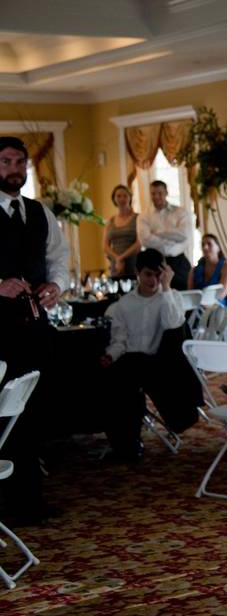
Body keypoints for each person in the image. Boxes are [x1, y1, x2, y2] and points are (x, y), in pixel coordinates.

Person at [0, 136, 68, 525]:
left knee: (31, 411)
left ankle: (29, 498)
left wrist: (55, 285)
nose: (15, 169)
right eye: (6, 161)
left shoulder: (39, 211)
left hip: (34, 328)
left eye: (20, 162)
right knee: (1, 414)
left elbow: (59, 256)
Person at [100, 248, 199, 460]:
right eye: (148, 274)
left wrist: (167, 287)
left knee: (129, 376)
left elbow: (174, 326)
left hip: (160, 363)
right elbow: (120, 341)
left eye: (157, 275)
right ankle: (126, 442)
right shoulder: (124, 305)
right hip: (131, 362)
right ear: (137, 272)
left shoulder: (170, 297)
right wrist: (110, 356)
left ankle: (131, 441)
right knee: (114, 379)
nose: (153, 280)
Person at [137, 180, 192, 290]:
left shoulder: (180, 212)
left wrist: (158, 233)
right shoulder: (144, 216)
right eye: (153, 193)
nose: (156, 196)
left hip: (179, 262)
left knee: (183, 295)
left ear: (166, 193)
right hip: (154, 263)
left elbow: (184, 235)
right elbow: (145, 240)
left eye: (160, 193)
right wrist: (172, 239)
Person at [188, 233, 227, 307]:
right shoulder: (193, 270)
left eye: (209, 244)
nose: (205, 247)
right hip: (197, 309)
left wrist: (203, 304)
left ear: (218, 248)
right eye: (203, 244)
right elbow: (190, 294)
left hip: (218, 309)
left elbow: (221, 295)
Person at [103, 184, 140, 278]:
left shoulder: (138, 218)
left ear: (130, 198)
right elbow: (105, 246)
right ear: (114, 199)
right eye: (118, 196)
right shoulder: (110, 221)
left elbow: (139, 243)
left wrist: (121, 258)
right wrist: (117, 259)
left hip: (133, 262)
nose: (122, 199)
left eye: (125, 196)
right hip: (115, 264)